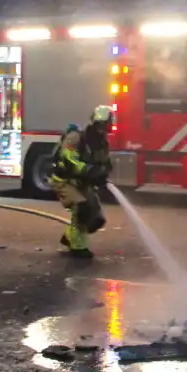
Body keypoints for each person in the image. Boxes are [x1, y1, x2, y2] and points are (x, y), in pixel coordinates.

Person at [48, 105, 114, 259]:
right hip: (64, 180)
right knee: (82, 208)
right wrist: (90, 171)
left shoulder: (102, 144)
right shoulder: (76, 137)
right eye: (100, 126)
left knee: (96, 220)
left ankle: (69, 236)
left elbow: (105, 163)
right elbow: (69, 160)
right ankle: (78, 249)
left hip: (83, 183)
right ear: (95, 123)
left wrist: (103, 173)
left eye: (105, 126)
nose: (102, 130)